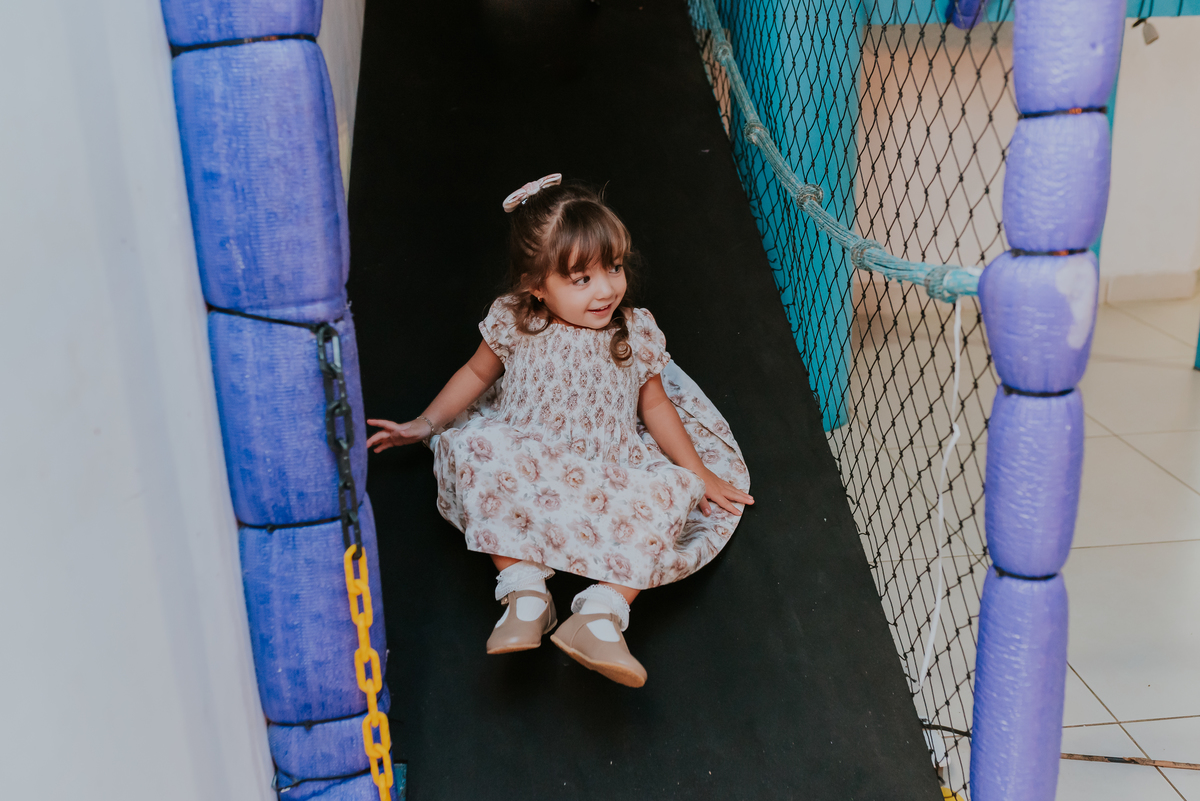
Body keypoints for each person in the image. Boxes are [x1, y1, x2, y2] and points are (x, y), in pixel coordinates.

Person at [366, 175, 753, 687]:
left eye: (613, 268)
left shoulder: (634, 330)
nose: (608, 289)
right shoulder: (514, 320)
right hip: (530, 460)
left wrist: (698, 470)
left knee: (672, 490)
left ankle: (601, 614)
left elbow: (656, 405)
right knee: (472, 445)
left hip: (608, 468)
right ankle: (525, 591)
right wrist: (426, 423)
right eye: (582, 279)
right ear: (535, 285)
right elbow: (476, 374)